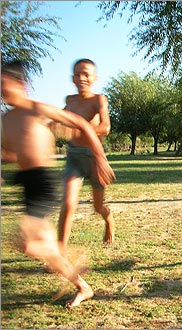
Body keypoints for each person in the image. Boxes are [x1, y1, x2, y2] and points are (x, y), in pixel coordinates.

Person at [1, 60, 115, 308]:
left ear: (20, 84)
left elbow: (89, 125)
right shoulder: (8, 117)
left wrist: (99, 156)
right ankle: (70, 266)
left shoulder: (39, 108)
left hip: (54, 175)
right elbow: (9, 151)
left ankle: (79, 276)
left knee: (31, 241)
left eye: (4, 85)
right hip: (32, 181)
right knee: (43, 233)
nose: (2, 91)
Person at [58, 59, 114, 251]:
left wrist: (81, 131)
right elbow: (59, 119)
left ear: (94, 78)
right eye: (77, 74)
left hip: (94, 158)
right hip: (74, 157)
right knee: (68, 203)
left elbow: (105, 127)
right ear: (72, 78)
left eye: (86, 74)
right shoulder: (70, 101)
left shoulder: (99, 99)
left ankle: (109, 220)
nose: (81, 78)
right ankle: (61, 252)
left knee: (98, 207)